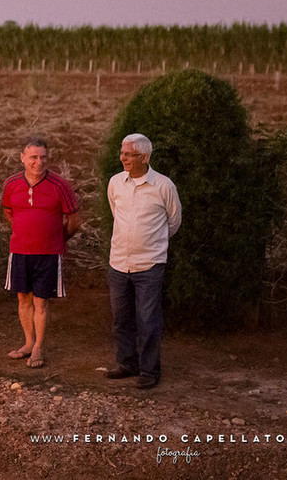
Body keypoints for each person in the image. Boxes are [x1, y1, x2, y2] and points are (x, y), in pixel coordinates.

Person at [105, 133, 182, 389]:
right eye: (122, 153)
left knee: (148, 320)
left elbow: (173, 221)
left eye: (129, 154)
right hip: (118, 263)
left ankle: (149, 370)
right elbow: (116, 213)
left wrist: (152, 243)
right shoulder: (116, 183)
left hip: (149, 265)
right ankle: (127, 363)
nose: (123, 158)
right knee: (121, 319)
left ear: (145, 157)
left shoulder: (163, 186)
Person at [1, 136, 80, 369]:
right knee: (23, 298)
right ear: (22, 158)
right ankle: (28, 342)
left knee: (41, 301)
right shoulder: (11, 184)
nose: (39, 162)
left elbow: (74, 220)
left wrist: (58, 238)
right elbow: (8, 213)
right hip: (19, 251)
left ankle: (38, 347)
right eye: (33, 157)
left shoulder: (60, 185)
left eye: (43, 157)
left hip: (48, 253)